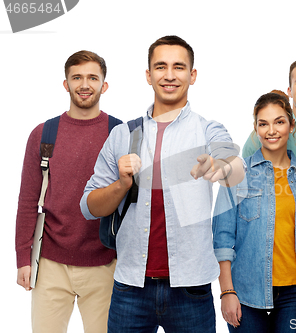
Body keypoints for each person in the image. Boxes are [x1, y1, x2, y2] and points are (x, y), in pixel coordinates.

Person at [80, 35, 244, 333]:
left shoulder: (208, 129)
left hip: (191, 289)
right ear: (148, 75)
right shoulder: (122, 135)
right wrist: (121, 183)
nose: (169, 75)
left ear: (192, 75)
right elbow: (89, 207)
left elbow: (235, 166)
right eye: (161, 67)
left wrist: (219, 165)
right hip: (130, 287)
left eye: (179, 67)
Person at [15, 50, 119, 333]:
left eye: (92, 78)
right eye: (77, 77)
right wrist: (23, 258)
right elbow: (28, 201)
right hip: (50, 264)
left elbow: (133, 202)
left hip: (105, 263)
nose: (84, 84)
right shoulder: (44, 134)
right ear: (66, 84)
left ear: (104, 85)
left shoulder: (119, 133)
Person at [213, 90, 296, 332]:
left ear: (292, 125)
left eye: (279, 122)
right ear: (255, 128)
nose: (271, 130)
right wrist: (227, 292)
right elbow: (222, 239)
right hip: (246, 293)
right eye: (263, 124)